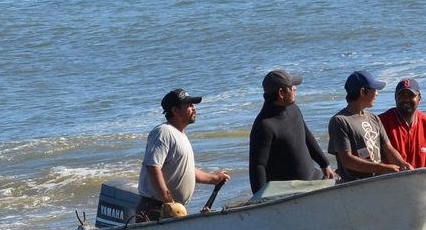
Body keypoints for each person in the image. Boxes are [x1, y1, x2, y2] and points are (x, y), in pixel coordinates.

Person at [137, 88, 231, 221]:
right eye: (189, 106)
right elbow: (153, 167)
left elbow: (186, 170)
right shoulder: (163, 132)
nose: (194, 109)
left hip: (172, 208)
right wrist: (168, 201)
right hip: (157, 209)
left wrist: (215, 179)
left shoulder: (179, 134)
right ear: (175, 110)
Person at [249, 69, 334, 196]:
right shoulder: (264, 125)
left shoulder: (293, 109)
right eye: (291, 87)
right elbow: (258, 166)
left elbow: (306, 136)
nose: (295, 88)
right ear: (281, 92)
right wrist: (259, 199)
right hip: (290, 192)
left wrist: (324, 164)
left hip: (314, 179)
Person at [329, 70, 411, 181]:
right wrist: (384, 168)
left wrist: (403, 164)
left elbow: (388, 148)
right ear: (363, 92)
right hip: (354, 185)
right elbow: (347, 160)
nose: (377, 93)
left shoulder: (374, 118)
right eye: (374, 90)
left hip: (377, 181)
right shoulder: (340, 121)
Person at [378, 77, 426, 169]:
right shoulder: (382, 121)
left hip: (420, 179)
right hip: (392, 180)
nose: (406, 99)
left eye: (411, 95)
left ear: (419, 98)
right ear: (395, 97)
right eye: (402, 95)